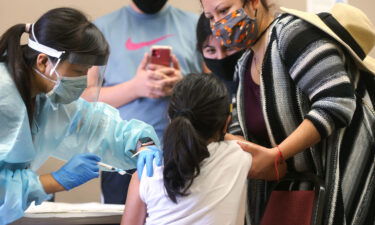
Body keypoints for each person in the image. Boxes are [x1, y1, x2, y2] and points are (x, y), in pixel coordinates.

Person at [201, 0, 375, 224]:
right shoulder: (243, 64)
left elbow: (336, 101)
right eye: (210, 17)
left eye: (224, 10)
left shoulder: (293, 35)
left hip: (345, 180)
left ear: (254, 2)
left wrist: (277, 155)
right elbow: (239, 128)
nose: (219, 23)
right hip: (299, 194)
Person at [0, 8, 162, 225]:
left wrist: (143, 143)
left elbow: (101, 128)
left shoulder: (48, 100)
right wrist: (56, 180)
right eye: (77, 72)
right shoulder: (4, 95)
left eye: (87, 72)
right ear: (43, 61)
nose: (83, 82)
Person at [88, 0, 203, 204]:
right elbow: (85, 98)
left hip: (184, 153)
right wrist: (135, 88)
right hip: (122, 157)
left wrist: (182, 86)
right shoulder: (101, 29)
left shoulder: (197, 25)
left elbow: (217, 90)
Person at [121, 74, 252, 225]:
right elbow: (277, 164)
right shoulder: (238, 155)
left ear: (170, 118)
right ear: (226, 122)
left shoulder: (146, 172)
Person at [196, 13, 245, 96]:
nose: (221, 57)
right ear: (201, 50)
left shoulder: (262, 83)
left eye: (229, 47)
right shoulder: (203, 94)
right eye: (211, 50)